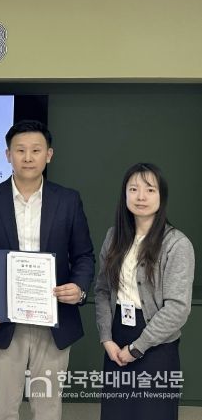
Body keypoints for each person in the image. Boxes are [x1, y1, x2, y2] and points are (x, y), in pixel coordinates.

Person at [0, 120, 95, 420]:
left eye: (36, 150)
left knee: (47, 408)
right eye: (20, 150)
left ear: (49, 155)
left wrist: (79, 288)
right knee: (3, 409)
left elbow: (84, 255)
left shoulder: (68, 200)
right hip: (2, 321)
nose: (27, 157)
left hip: (54, 319)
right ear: (7, 155)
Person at [94, 163, 194, 419]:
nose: (141, 197)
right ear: (124, 194)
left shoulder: (177, 244)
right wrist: (106, 338)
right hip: (117, 339)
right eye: (133, 189)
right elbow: (103, 290)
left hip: (156, 345)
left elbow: (177, 309)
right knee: (116, 413)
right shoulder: (113, 237)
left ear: (162, 196)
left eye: (150, 190)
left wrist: (136, 348)